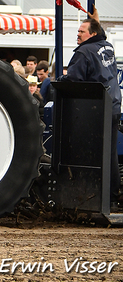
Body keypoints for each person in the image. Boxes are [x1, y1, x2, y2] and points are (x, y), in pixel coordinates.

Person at [57, 17, 121, 208]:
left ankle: (91, 197)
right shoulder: (107, 46)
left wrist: (61, 80)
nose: (77, 34)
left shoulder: (84, 52)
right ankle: (112, 196)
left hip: (94, 110)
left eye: (81, 31)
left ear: (92, 34)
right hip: (114, 105)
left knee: (89, 156)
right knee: (110, 155)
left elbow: (74, 79)